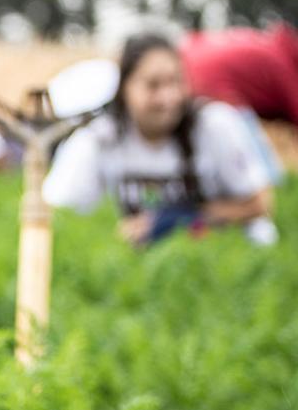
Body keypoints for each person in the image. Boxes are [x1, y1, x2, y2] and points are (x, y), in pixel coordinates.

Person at [44, 33, 278, 247]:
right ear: (124, 88)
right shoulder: (99, 138)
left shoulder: (215, 125)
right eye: (153, 85)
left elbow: (260, 203)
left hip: (225, 251)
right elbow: (60, 212)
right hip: (142, 262)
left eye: (175, 82)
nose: (168, 97)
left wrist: (181, 221)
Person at [182, 24, 297, 182]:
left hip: (190, 80)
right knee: (265, 170)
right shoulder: (282, 64)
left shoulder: (265, 44)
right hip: (221, 94)